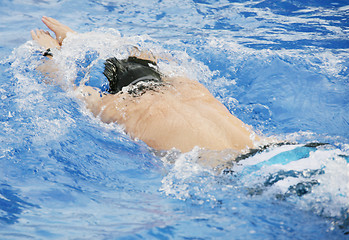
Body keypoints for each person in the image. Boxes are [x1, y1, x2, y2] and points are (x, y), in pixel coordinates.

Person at [31, 16, 263, 164]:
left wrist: (50, 52)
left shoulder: (118, 106)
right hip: (271, 149)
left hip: (226, 171)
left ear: (116, 88)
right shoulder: (190, 87)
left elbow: (63, 85)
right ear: (159, 73)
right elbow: (149, 54)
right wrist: (78, 39)